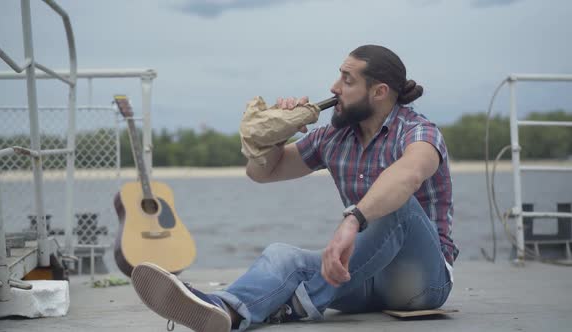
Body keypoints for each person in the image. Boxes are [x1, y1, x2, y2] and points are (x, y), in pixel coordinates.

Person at [131, 44, 458, 332]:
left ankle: (298, 304)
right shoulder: (334, 137)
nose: (334, 87)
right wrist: (277, 131)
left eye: (347, 79)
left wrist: (353, 219)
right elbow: (262, 173)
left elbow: (408, 176)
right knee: (281, 255)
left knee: (397, 204)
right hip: (359, 279)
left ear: (379, 92)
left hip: (420, 283)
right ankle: (224, 310)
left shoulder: (418, 132)